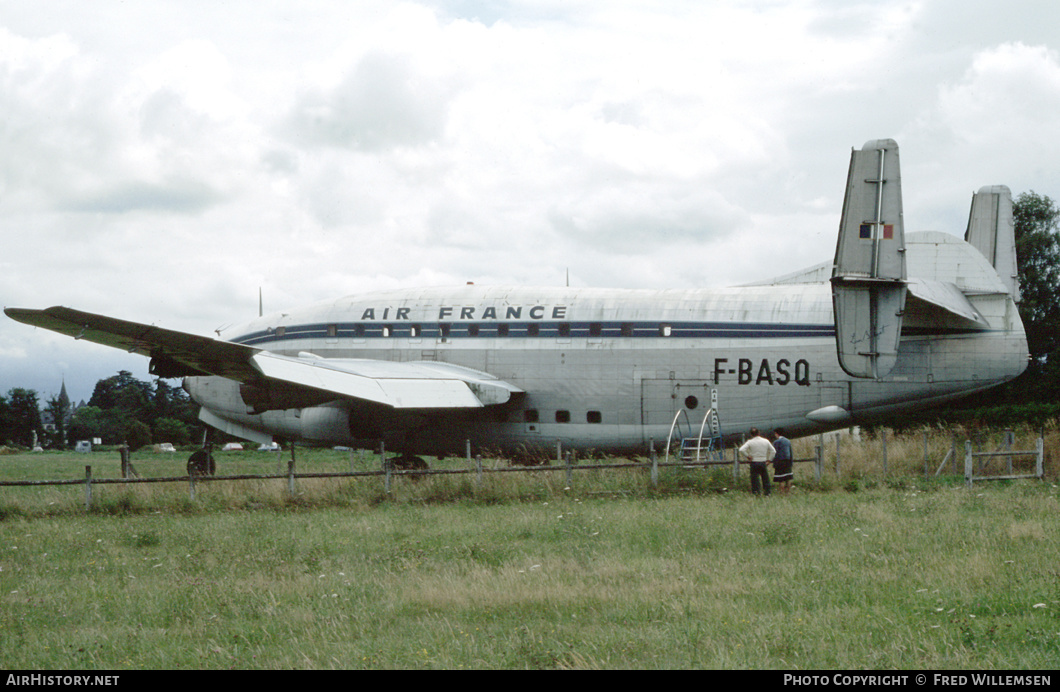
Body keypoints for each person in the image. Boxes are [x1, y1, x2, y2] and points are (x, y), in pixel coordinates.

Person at [738, 427, 774, 496]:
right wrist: (769, 460)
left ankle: (756, 493)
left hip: (754, 462)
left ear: (751, 434)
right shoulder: (765, 441)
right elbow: (773, 451)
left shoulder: (750, 442)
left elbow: (741, 449)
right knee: (765, 478)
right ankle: (767, 493)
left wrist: (747, 456)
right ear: (759, 433)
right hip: (763, 461)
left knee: (754, 479)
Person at [771, 428, 793, 494]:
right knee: (788, 478)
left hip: (779, 462)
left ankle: (782, 492)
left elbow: (775, 453)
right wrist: (791, 462)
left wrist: (774, 463)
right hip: (787, 461)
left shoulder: (776, 442)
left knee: (781, 479)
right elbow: (791, 452)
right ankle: (788, 492)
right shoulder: (788, 441)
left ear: (776, 433)